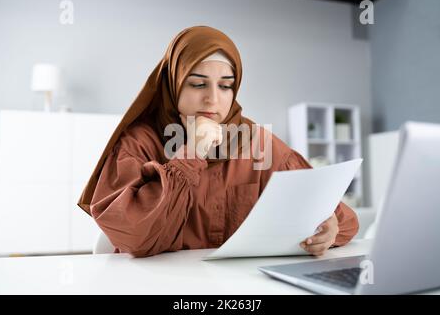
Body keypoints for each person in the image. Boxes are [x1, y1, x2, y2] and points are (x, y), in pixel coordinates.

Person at [77, 26, 359, 258]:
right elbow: (133, 235)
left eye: (225, 86)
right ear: (173, 84)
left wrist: (329, 229)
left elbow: (342, 217)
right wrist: (192, 153)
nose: (213, 98)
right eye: (198, 84)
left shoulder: (257, 141)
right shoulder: (139, 141)